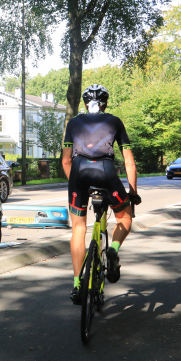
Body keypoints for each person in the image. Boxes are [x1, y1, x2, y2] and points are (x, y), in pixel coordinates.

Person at [62, 84, 140, 304]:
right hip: (106, 173)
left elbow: (66, 160)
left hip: (79, 173)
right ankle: (113, 250)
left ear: (85, 103)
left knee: (78, 228)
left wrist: (76, 185)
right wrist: (132, 193)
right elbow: (129, 162)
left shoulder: (74, 123)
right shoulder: (115, 121)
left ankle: (78, 285)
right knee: (124, 217)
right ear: (106, 102)